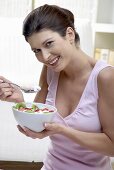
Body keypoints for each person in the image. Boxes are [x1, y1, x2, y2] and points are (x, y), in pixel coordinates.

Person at [0, 4, 114, 170]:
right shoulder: (50, 69)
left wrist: (63, 131)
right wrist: (19, 101)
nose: (45, 57)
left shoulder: (105, 77)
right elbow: (37, 129)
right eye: (36, 50)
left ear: (69, 34)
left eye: (49, 43)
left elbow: (112, 146)